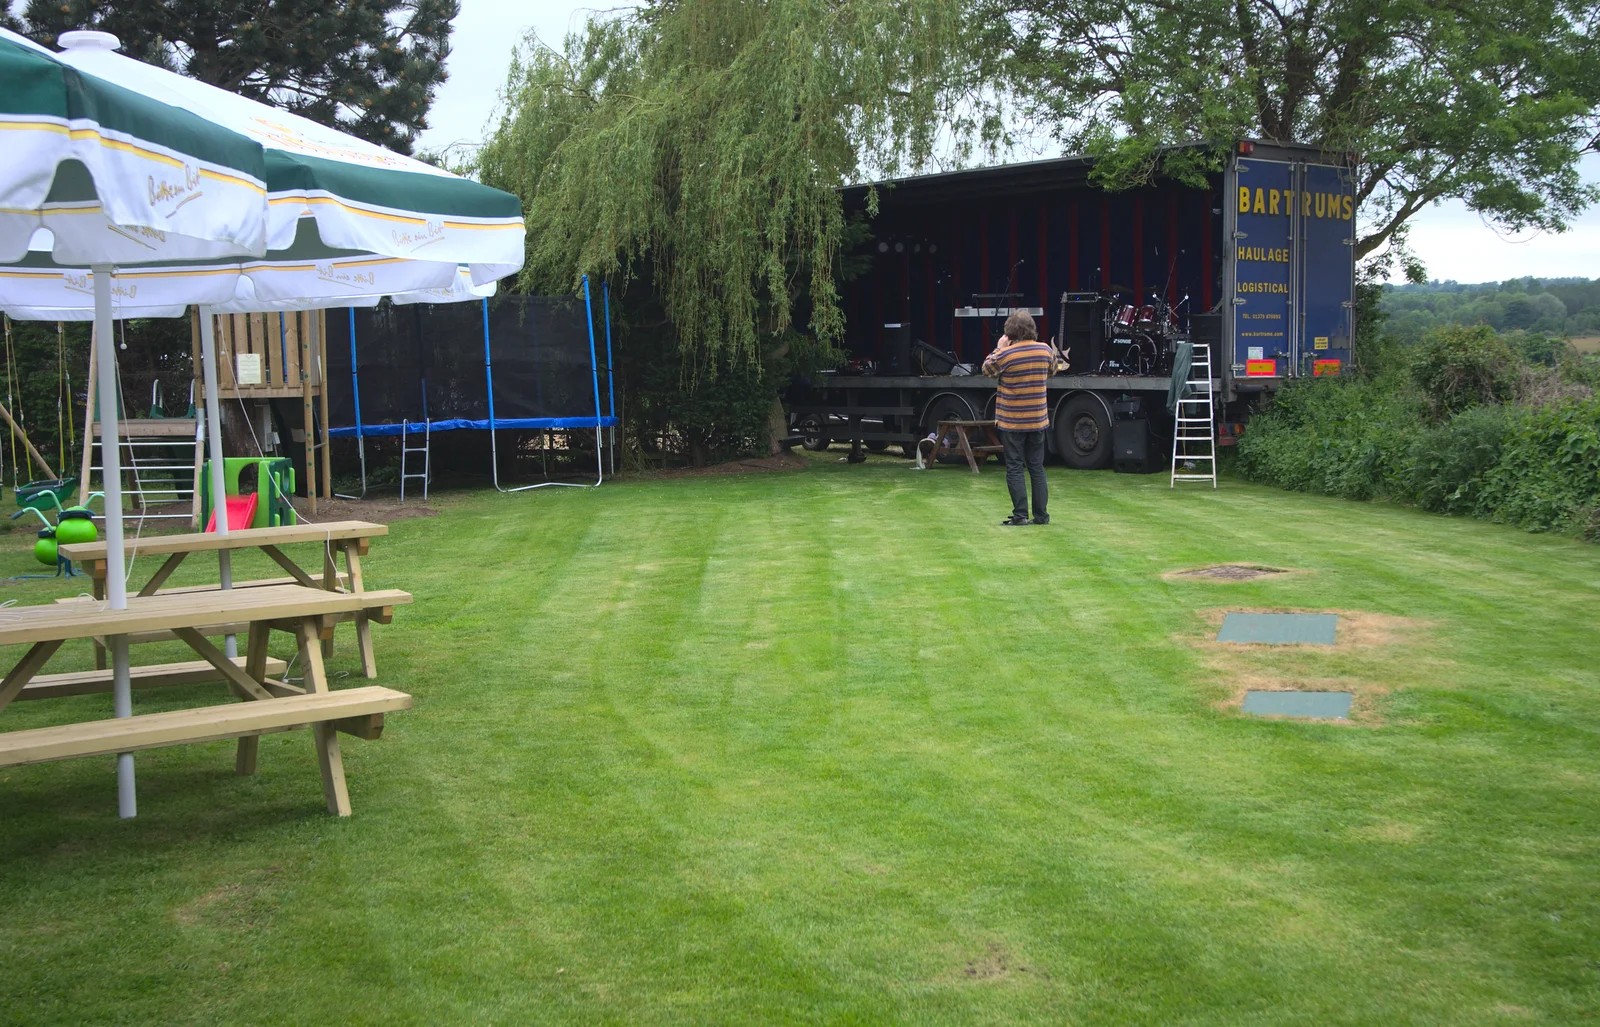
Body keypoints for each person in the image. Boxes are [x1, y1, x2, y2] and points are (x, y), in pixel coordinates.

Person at [981, 311, 1052, 526]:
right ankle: (1041, 516)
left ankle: (1020, 515)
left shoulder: (1006, 354)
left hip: (1012, 421)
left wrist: (999, 348)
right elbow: (1053, 370)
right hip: (1037, 419)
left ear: (1010, 331)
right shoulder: (1046, 350)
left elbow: (987, 369)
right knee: (1037, 467)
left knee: (1014, 467)